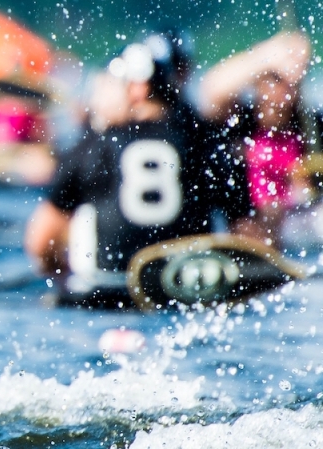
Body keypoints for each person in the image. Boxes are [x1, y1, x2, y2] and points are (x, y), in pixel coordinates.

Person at [24, 34, 251, 307]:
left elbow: (40, 242)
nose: (97, 97)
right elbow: (250, 238)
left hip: (105, 296)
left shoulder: (93, 145)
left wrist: (61, 275)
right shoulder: (206, 142)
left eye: (106, 86)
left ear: (137, 90)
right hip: (186, 294)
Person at [198, 31, 323, 242]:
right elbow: (211, 91)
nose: (284, 90)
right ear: (258, 80)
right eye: (276, 79)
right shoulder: (237, 125)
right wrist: (267, 56)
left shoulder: (322, 130)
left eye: (292, 82)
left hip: (305, 237)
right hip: (247, 236)